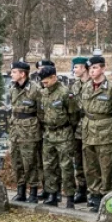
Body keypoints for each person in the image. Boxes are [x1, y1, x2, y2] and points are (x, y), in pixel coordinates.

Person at [79, 56, 112, 212]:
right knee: (90, 167)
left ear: (103, 69)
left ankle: (106, 195)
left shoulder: (111, 89)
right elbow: (82, 108)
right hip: (88, 130)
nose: (92, 71)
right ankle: (94, 195)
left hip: (105, 132)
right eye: (90, 68)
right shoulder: (86, 87)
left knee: (106, 167)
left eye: (95, 68)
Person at [38, 65, 79, 208]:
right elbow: (41, 113)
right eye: (43, 83)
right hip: (49, 134)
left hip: (64, 134)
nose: (44, 84)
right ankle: (52, 194)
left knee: (66, 166)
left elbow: (74, 115)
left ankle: (69, 197)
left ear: (54, 77)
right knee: (49, 165)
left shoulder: (65, 93)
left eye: (46, 82)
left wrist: (68, 129)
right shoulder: (43, 93)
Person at [8, 60, 42, 202]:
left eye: (14, 72)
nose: (11, 74)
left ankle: (33, 192)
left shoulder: (35, 89)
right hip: (16, 130)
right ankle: (21, 191)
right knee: (17, 162)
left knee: (31, 163)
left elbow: (42, 112)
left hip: (30, 132)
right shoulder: (13, 89)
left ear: (23, 74)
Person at [70, 57, 90, 203]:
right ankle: (81, 189)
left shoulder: (94, 84)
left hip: (91, 127)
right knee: (78, 161)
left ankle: (93, 191)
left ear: (84, 68)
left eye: (76, 67)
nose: (74, 70)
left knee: (90, 161)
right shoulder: (75, 86)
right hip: (78, 127)